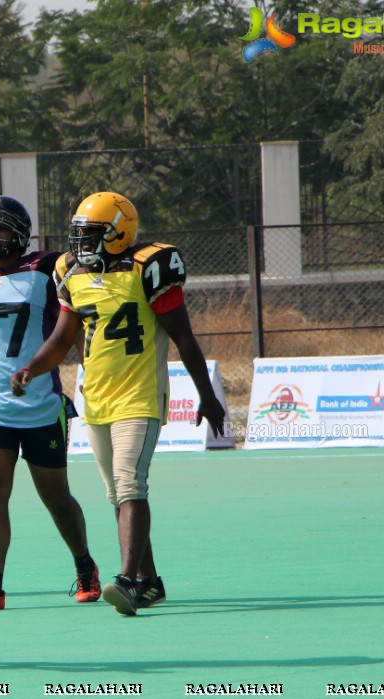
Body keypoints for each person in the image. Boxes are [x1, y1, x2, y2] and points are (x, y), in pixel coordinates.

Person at [12, 191, 225, 616]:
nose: (81, 245)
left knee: (130, 485)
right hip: (96, 398)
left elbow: (184, 337)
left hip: (139, 395)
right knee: (116, 493)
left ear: (118, 232)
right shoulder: (73, 276)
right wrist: (31, 368)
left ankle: (127, 580)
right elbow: (61, 338)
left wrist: (208, 394)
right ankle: (149, 582)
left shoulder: (148, 269)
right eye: (79, 236)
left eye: (91, 235)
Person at [0, 196, 99, 613]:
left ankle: (85, 566)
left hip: (40, 403)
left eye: (2, 227)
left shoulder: (47, 269)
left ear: (21, 233)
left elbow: (68, 326)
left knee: (56, 496)